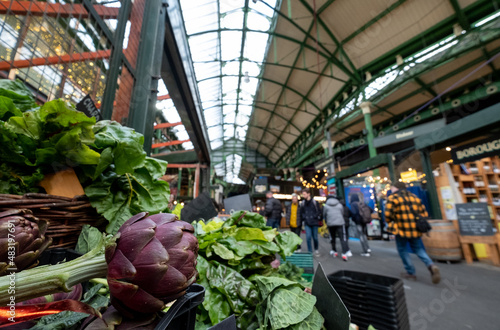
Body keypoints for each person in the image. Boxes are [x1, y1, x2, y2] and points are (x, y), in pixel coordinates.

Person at [385, 181, 440, 284]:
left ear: (396, 188)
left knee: (402, 249)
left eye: (392, 187)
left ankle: (411, 272)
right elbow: (424, 213)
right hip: (415, 229)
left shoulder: (392, 198)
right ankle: (431, 265)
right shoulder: (414, 197)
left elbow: (388, 214)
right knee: (418, 248)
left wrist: (392, 221)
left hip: (401, 229)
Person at [323, 195, 349, 261]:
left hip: (330, 224)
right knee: (342, 238)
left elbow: (324, 214)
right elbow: (342, 213)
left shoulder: (326, 206)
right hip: (340, 223)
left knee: (332, 237)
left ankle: (334, 251)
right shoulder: (340, 205)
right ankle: (344, 253)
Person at [299, 188, 322, 256]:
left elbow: (319, 211)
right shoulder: (303, 203)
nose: (303, 195)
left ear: (309, 194)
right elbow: (301, 212)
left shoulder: (315, 202)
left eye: (304, 194)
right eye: (303, 194)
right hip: (307, 222)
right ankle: (310, 251)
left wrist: (315, 216)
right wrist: (304, 218)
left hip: (314, 222)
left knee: (315, 237)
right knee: (308, 237)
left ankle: (316, 249)